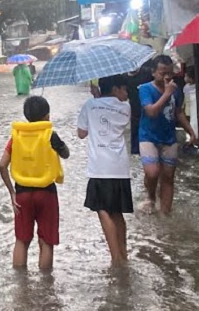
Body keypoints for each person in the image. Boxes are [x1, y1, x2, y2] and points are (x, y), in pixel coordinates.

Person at [0, 96, 70, 270]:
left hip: (22, 194)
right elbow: (66, 154)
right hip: (46, 193)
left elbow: (1, 166)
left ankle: (21, 287)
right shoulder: (51, 136)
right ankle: (45, 287)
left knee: (21, 240)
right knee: (46, 242)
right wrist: (60, 146)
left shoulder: (16, 137)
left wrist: (12, 193)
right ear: (47, 116)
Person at [77, 74, 132, 266]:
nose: (126, 93)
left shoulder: (89, 106)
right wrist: (99, 98)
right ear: (115, 89)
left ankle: (115, 258)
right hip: (120, 167)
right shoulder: (126, 107)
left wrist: (96, 100)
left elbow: (81, 134)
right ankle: (123, 253)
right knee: (117, 211)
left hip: (99, 167)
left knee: (102, 209)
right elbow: (112, 112)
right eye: (124, 89)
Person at [138, 55, 199, 214]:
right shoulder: (145, 89)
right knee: (152, 172)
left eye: (170, 73)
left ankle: (165, 214)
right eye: (162, 72)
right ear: (153, 72)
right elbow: (151, 111)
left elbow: (178, 113)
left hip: (169, 137)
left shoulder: (176, 89)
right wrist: (166, 93)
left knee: (168, 176)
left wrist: (191, 132)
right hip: (148, 136)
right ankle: (150, 196)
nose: (167, 76)